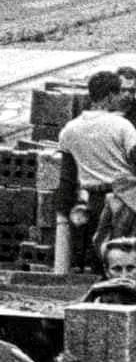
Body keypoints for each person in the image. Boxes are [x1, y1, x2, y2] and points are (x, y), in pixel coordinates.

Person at [59, 71, 136, 274]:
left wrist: (64, 211)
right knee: (127, 255)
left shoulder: (69, 129)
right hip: (126, 200)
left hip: (93, 202)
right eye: (120, 93)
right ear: (111, 95)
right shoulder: (122, 126)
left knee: (100, 252)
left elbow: (66, 177)